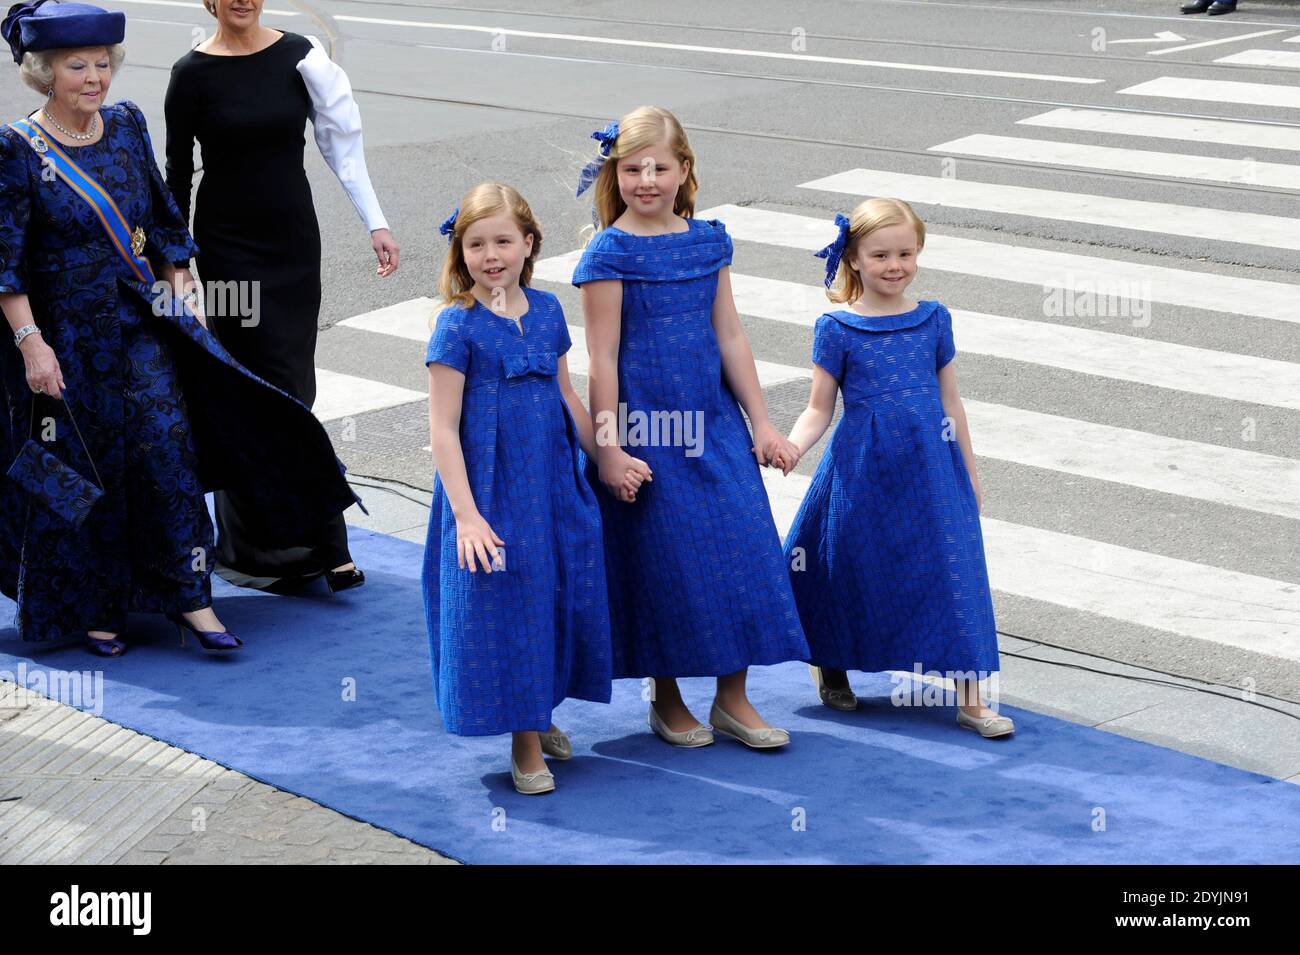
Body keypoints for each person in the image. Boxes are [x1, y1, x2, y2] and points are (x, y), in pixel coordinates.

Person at [0, 0, 362, 655]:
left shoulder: (126, 125)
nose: (94, 77)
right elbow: (7, 263)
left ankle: (191, 597)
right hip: (68, 338)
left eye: (103, 64)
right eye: (77, 65)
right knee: (93, 472)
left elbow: (165, 222)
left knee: (168, 451)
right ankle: (100, 606)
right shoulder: (18, 149)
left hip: (140, 322)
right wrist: (33, 345)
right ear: (43, 73)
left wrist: (181, 291)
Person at [572, 105, 809, 751]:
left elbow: (729, 333)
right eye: (631, 168)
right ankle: (668, 697)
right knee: (665, 565)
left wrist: (762, 423)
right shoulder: (609, 251)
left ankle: (733, 697)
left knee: (741, 551)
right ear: (614, 172)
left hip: (715, 424)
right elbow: (604, 355)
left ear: (684, 170)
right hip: (647, 430)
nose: (646, 179)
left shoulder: (708, 241)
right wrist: (610, 445)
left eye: (659, 166)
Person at [164, 0, 400, 593]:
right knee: (253, 389)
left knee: (295, 385)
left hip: (293, 245)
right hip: (226, 252)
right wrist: (176, 260)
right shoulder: (189, 74)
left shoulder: (301, 55)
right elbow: (175, 171)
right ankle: (308, 546)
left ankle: (306, 542)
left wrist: (375, 221)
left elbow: (341, 142)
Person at [781, 199, 1014, 739]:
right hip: (862, 467)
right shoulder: (836, 326)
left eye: (906, 253)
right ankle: (830, 661)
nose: (895, 265)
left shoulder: (934, 318)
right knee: (846, 565)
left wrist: (970, 473)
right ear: (854, 259)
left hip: (933, 467)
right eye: (880, 254)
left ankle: (972, 697)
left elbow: (951, 404)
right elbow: (820, 407)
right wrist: (791, 448)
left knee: (953, 571)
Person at [424, 183, 611, 795]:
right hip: (489, 490)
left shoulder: (550, 311)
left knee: (554, 595)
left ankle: (540, 711)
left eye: (503, 240)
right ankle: (524, 742)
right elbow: (443, 431)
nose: (490, 254)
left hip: (552, 483)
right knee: (507, 609)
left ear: (529, 244)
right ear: (462, 253)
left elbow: (565, 394)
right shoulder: (458, 325)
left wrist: (605, 456)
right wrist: (468, 517)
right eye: (475, 244)